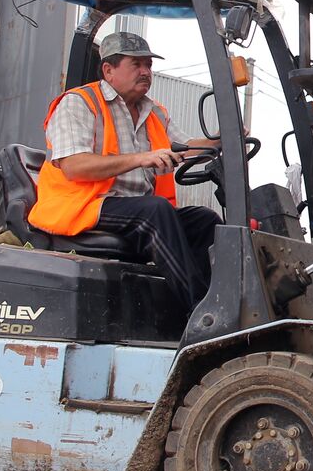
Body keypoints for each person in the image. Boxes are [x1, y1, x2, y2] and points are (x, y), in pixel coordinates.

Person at [28, 31, 221, 316]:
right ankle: (202, 315)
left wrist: (221, 139)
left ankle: (204, 303)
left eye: (149, 66)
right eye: (137, 64)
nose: (146, 72)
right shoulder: (79, 103)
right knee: (154, 212)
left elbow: (184, 148)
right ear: (109, 70)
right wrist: (141, 159)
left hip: (132, 208)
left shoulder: (153, 111)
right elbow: (74, 166)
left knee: (205, 220)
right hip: (83, 205)